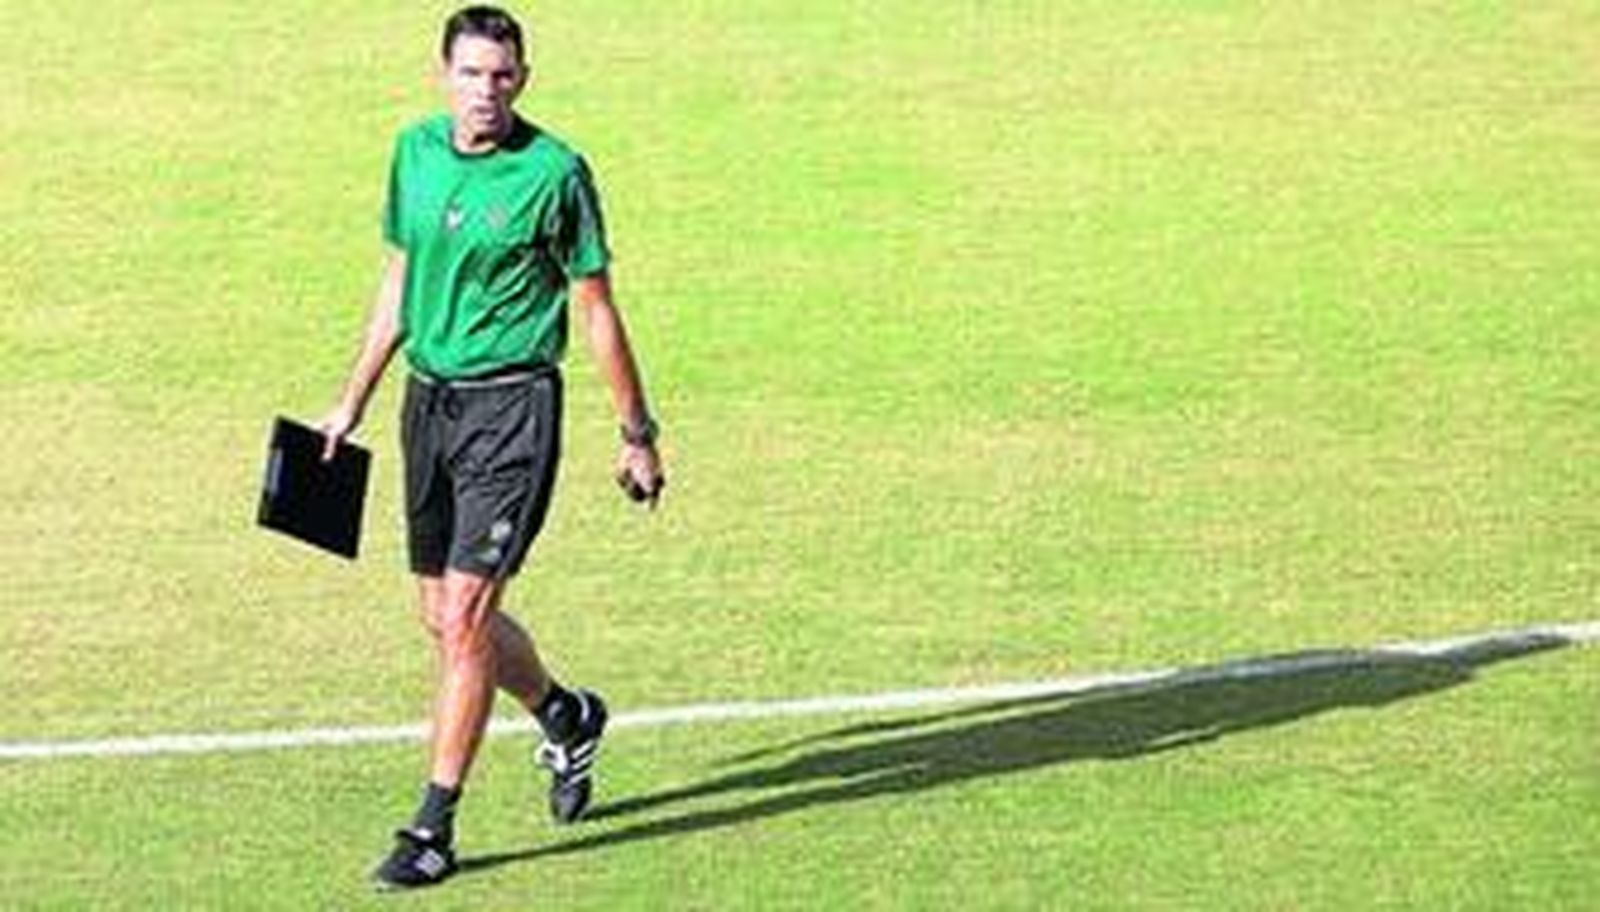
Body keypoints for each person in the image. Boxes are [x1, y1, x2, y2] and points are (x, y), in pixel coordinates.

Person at [316, 5, 664, 890]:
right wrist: (349, 400)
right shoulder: (415, 153)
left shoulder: (555, 174)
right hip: (426, 405)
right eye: (472, 74)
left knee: (467, 617)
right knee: (439, 618)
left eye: (503, 75)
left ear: (524, 79)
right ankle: (566, 715)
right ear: (444, 75)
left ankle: (432, 826)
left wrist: (637, 434)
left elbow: (595, 308)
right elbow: (400, 280)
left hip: (512, 410)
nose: (487, 91)